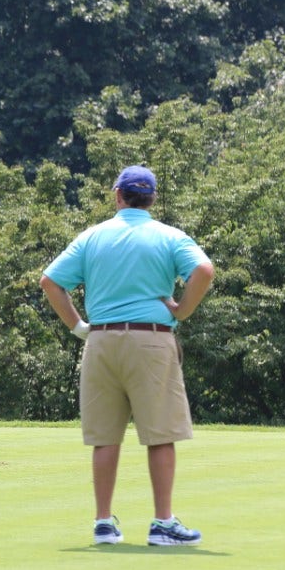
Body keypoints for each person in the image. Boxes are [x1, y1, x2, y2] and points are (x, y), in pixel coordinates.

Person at [40, 164, 213, 546]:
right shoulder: (169, 236)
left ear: (117, 195)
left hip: (100, 341)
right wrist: (181, 311)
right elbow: (203, 269)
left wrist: (77, 326)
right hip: (151, 339)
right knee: (161, 434)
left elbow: (50, 281)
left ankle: (103, 523)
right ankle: (163, 523)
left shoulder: (92, 237)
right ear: (151, 199)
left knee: (105, 437)